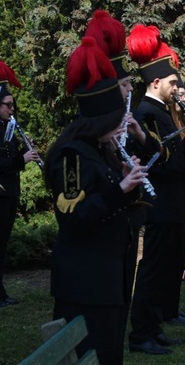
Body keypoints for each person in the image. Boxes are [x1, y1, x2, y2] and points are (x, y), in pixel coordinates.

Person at [45, 37, 149, 364]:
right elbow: (76, 217)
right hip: (86, 286)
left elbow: (120, 208)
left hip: (108, 281)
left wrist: (128, 184)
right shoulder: (72, 156)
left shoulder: (100, 151)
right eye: (116, 119)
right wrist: (119, 190)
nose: (122, 125)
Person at [127, 24, 185, 355]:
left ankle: (156, 325)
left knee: (166, 266)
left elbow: (175, 156)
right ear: (156, 82)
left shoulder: (161, 111)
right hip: (160, 202)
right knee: (152, 268)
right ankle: (141, 333)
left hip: (173, 200)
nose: (176, 87)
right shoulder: (146, 113)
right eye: (173, 82)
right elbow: (163, 162)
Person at [0, 61, 40, 309]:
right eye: (7, 104)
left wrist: (24, 147)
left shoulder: (8, 126)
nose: (12, 108)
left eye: (12, 104)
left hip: (9, 191)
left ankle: (1, 291)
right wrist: (21, 158)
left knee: (3, 243)